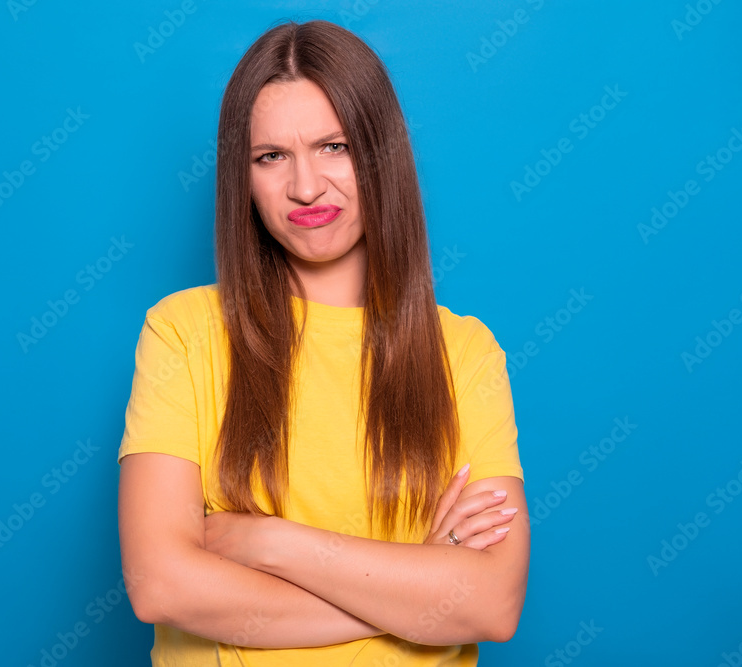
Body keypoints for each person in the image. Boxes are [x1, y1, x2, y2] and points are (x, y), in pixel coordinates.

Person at [116, 18, 529, 666]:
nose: (305, 187)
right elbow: (159, 584)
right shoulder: (182, 333)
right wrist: (419, 590)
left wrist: (268, 543)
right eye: (270, 156)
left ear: (379, 152)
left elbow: (492, 603)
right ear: (242, 177)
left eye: (333, 146)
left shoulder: (465, 353)